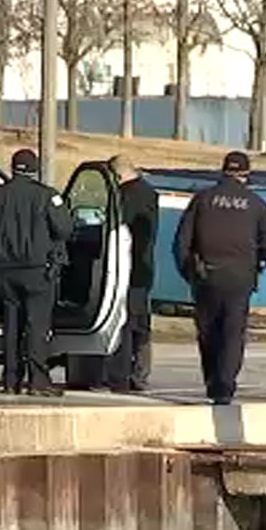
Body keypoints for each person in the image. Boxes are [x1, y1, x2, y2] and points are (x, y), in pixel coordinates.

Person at [175, 150, 266, 406]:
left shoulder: (202, 200)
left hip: (206, 275)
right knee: (232, 333)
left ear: (223, 172)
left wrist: (189, 272)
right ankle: (225, 386)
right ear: (246, 175)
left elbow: (181, 243)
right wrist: (260, 264)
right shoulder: (256, 204)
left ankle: (212, 381)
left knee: (208, 331)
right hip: (240, 277)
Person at [0, 148, 72, 396]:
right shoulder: (47, 197)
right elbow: (64, 229)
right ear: (35, 169)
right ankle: (38, 381)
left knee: (12, 327)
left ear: (13, 168)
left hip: (6, 272)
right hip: (38, 272)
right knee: (36, 327)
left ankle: (10, 381)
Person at [100, 156, 160, 392]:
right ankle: (141, 373)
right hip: (143, 267)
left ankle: (120, 375)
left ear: (117, 176)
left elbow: (116, 228)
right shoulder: (149, 193)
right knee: (141, 323)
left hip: (124, 266)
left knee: (123, 322)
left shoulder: (125, 196)